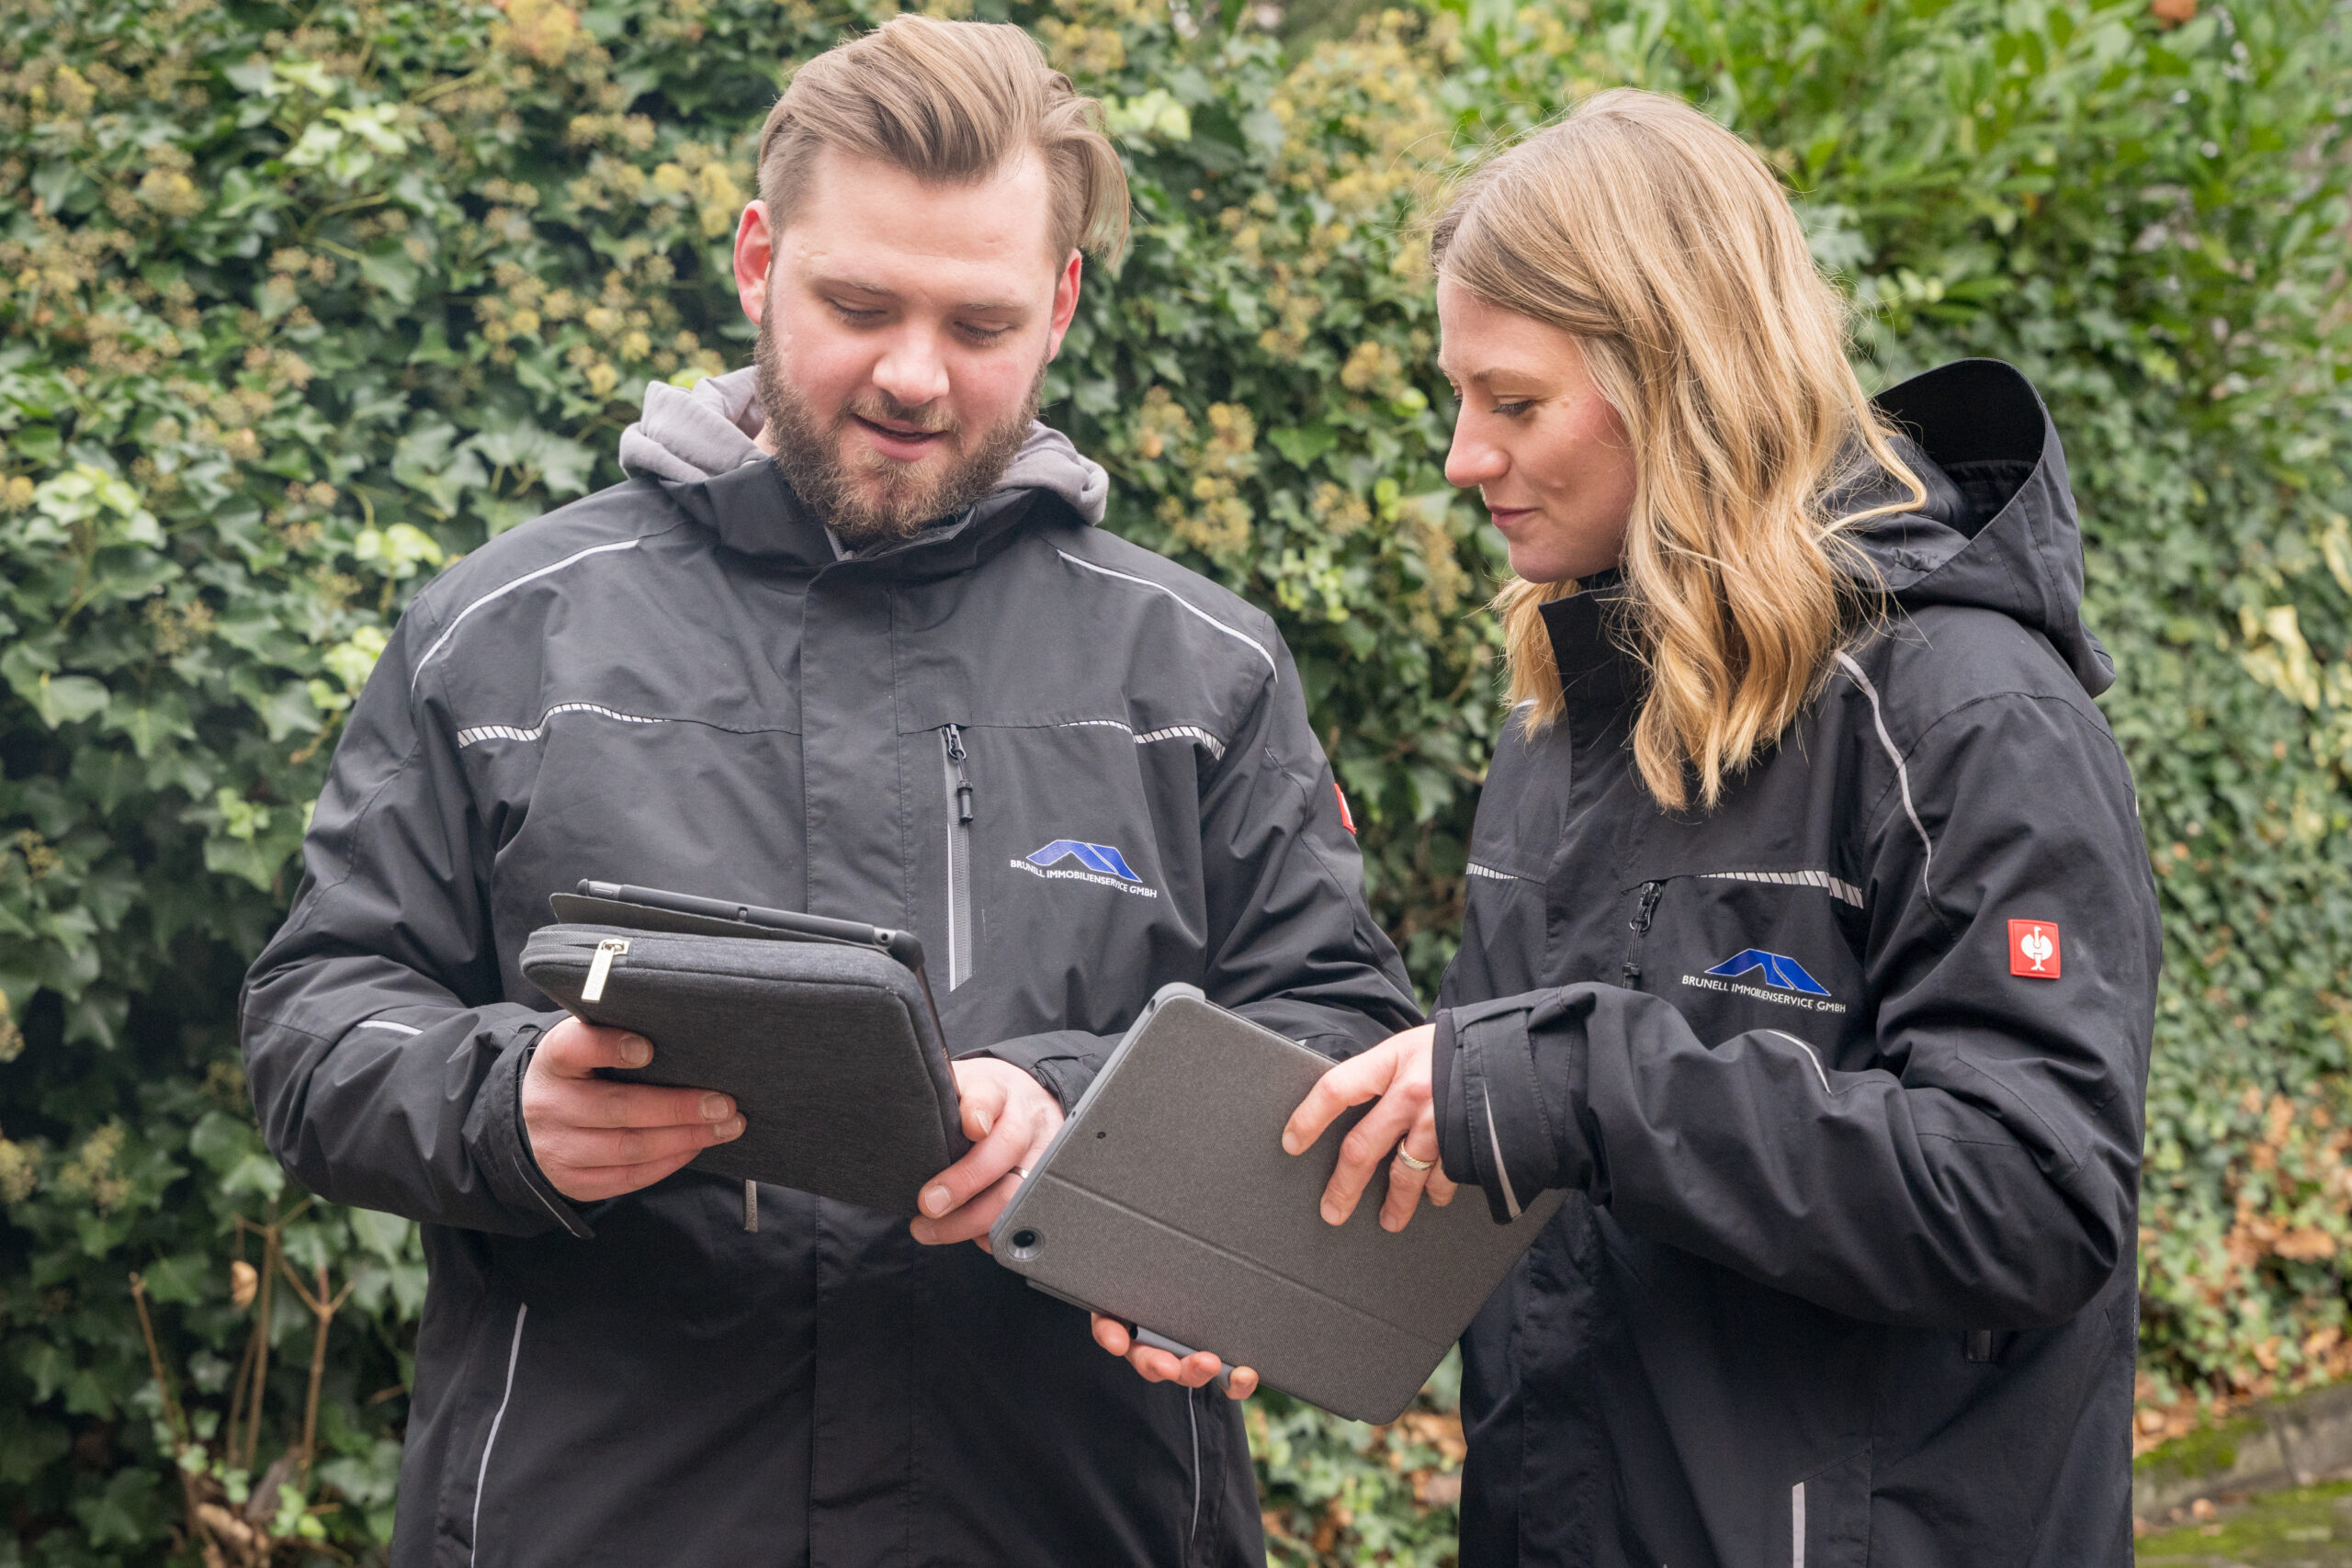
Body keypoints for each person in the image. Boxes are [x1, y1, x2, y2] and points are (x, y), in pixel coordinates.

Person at [239, 17, 1417, 1565]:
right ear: (757, 262)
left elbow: (1350, 1053)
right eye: (858, 305)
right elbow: (316, 1022)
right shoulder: (504, 635)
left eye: (980, 324)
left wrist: (1081, 1110)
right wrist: (503, 1107)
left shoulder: (1200, 673)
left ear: (1062, 305)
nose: (914, 376)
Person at [1267, 91, 2159, 1565]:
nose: (1463, 457)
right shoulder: (1566, 715)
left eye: (1513, 402)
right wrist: (1224, 1262)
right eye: (1459, 397)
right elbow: (1540, 1170)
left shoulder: (1965, 714)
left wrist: (1575, 1082)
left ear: (1678, 378)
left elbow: (2031, 1198)